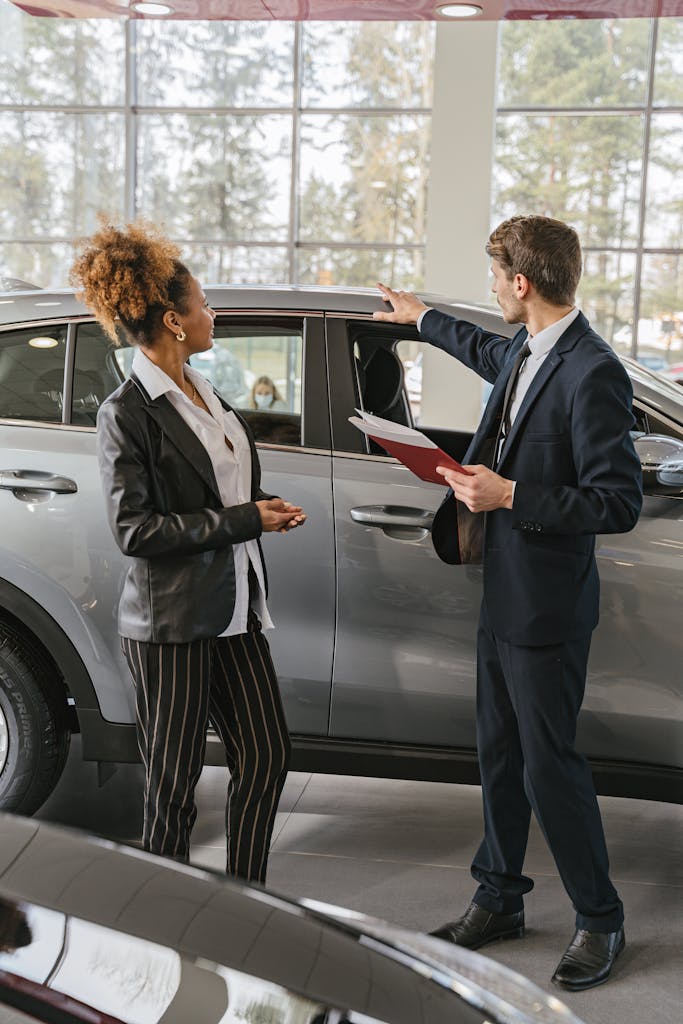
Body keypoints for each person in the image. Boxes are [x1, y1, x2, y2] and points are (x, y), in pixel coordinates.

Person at [374, 215, 642, 992]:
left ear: (521, 283)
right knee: (496, 754)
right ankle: (499, 899)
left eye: (495, 277)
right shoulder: (525, 347)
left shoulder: (593, 371)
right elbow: (485, 350)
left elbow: (615, 501)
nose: (492, 288)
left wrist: (511, 492)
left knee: (549, 765)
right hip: (501, 594)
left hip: (548, 611)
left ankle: (599, 917)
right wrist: (421, 318)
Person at [70, 220, 306, 884]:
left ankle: (246, 898)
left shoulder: (206, 395)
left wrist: (264, 512)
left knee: (265, 757)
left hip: (237, 613)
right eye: (203, 305)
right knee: (172, 791)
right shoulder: (128, 412)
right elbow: (135, 532)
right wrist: (241, 519)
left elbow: (223, 489)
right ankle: (166, 930)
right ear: (173, 320)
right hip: (171, 624)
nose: (212, 315)